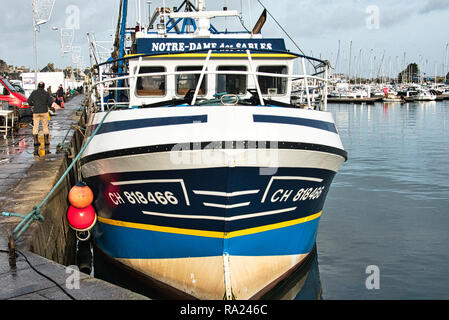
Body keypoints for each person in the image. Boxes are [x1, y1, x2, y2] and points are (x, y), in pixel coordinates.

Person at [27, 82, 53, 147]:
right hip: (44, 111)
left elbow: (29, 101)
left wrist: (33, 105)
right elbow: (50, 102)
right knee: (45, 126)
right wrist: (48, 105)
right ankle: (46, 141)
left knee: (35, 126)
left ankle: (35, 141)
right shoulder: (46, 93)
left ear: (38, 86)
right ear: (44, 87)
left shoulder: (34, 92)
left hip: (36, 112)